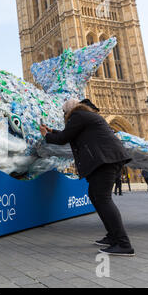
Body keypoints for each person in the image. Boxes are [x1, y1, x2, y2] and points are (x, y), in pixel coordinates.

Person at [40, 98, 135, 256]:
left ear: (69, 110)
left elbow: (63, 138)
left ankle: (124, 244)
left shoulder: (78, 116)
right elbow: (69, 135)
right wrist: (52, 131)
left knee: (103, 199)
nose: (64, 116)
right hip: (106, 159)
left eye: (64, 113)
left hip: (105, 160)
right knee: (95, 196)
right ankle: (113, 236)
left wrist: (45, 135)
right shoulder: (84, 115)